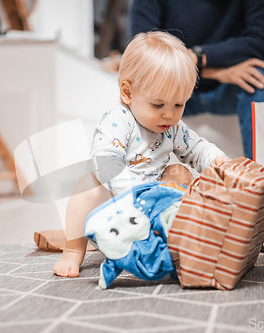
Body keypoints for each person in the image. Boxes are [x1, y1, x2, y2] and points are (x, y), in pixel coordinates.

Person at [53, 31, 230, 277]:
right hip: (115, 211)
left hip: (155, 213)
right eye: (158, 105)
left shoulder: (172, 128)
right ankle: (72, 250)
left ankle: (175, 244)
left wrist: (220, 163)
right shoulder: (118, 120)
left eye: (179, 105)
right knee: (87, 184)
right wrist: (136, 191)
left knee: (179, 172)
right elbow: (105, 161)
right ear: (127, 92)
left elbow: (198, 148)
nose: (169, 115)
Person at [130, 0, 264, 159]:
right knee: (139, 89)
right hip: (171, 90)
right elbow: (144, 56)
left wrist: (197, 57)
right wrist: (217, 73)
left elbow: (260, 42)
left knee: (262, 78)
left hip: (227, 87)